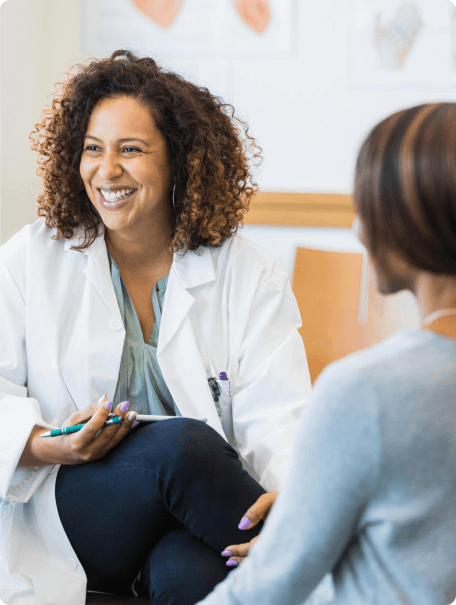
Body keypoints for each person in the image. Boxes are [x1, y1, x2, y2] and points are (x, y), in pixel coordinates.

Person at [0, 50, 312, 605]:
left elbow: (280, 416)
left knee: (192, 576)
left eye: (131, 150)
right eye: (92, 149)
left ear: (180, 161)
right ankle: (320, 568)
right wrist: (50, 447)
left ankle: (288, 547)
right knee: (184, 446)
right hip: (71, 514)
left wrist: (289, 498)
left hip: (192, 514)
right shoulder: (32, 259)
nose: (106, 170)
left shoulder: (246, 273)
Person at [195, 102, 456, 605]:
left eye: (368, 208)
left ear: (413, 223)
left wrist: (303, 518)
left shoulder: (368, 391)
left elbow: (271, 585)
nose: (359, 229)